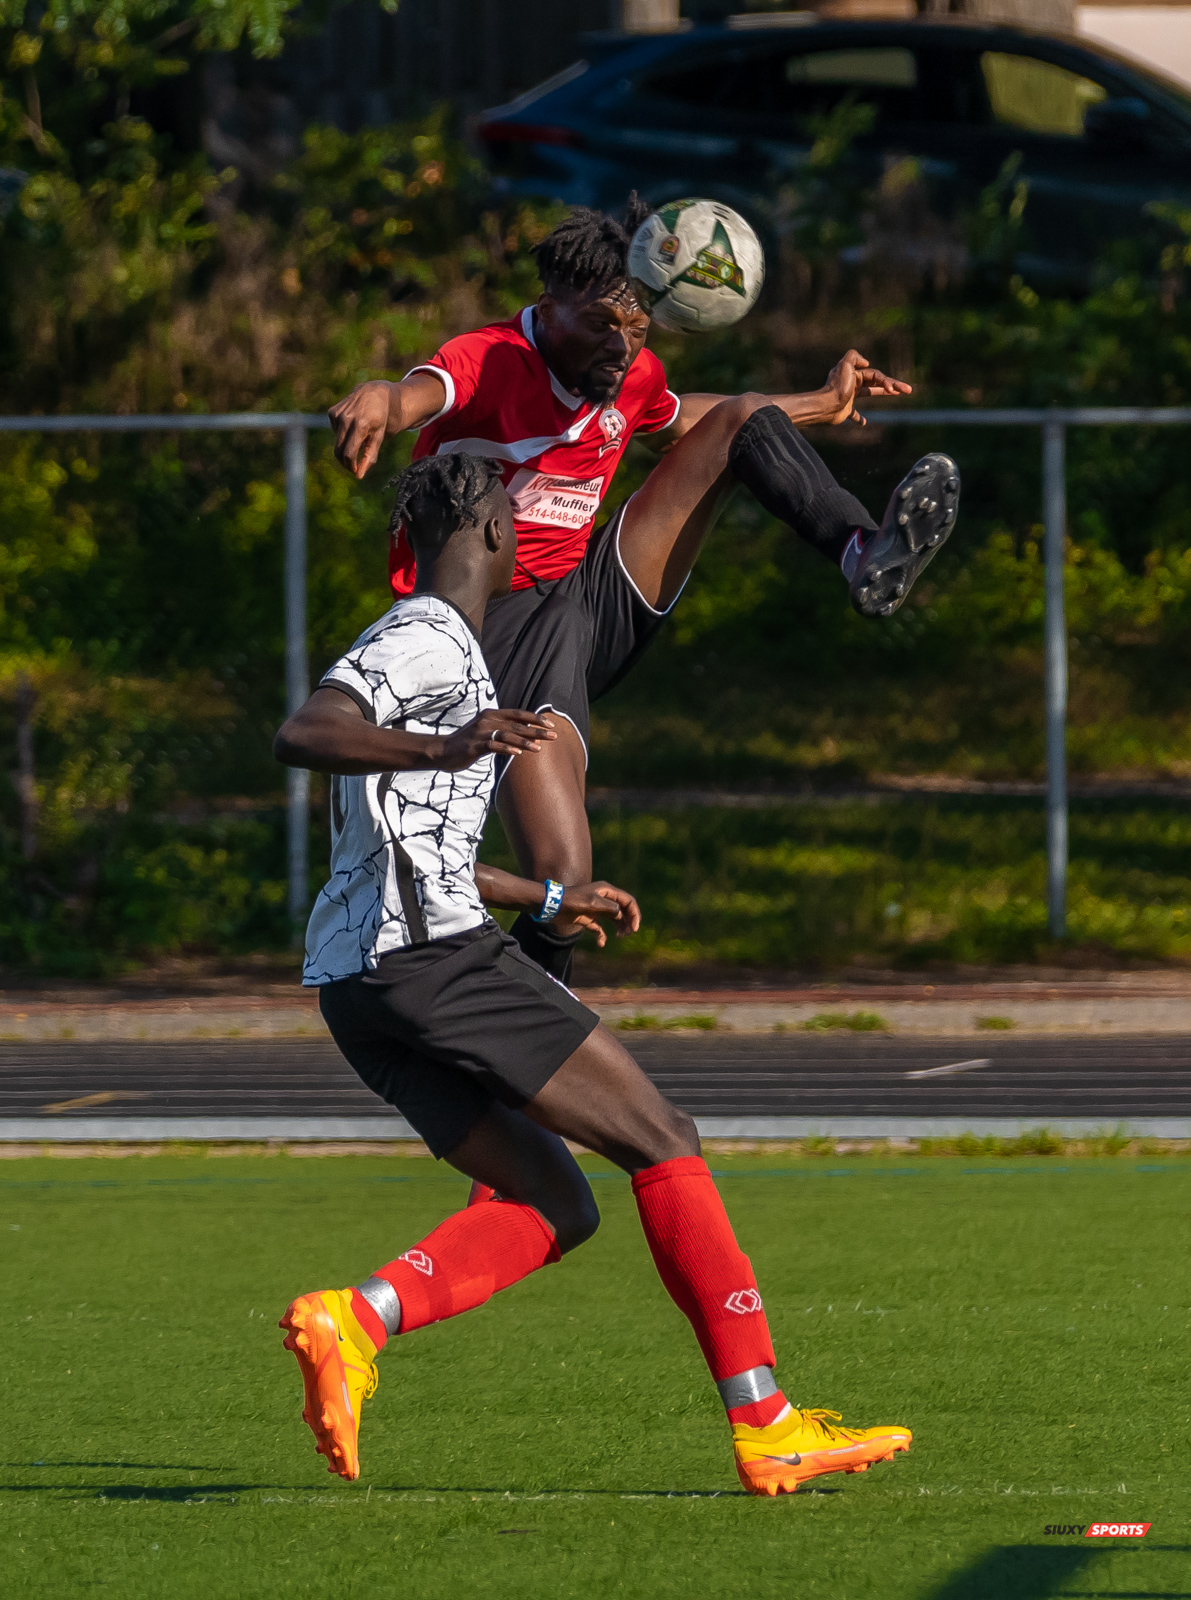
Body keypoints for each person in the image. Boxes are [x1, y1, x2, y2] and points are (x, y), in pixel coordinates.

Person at [274, 454, 912, 1497]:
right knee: (664, 1139)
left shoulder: (445, 651)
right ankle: (767, 1420)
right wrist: (448, 749)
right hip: (431, 961)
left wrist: (545, 898)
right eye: (516, 526)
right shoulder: (426, 637)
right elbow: (303, 732)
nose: (526, 541)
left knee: (554, 1199)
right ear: (489, 534)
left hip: (362, 984)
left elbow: (407, 835)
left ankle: (354, 1318)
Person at [326, 200, 960, 985]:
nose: (621, 345)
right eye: (599, 324)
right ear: (547, 305)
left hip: (581, 603)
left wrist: (814, 403)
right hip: (492, 634)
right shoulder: (492, 358)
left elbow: (674, 420)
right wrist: (383, 398)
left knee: (738, 419)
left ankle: (862, 552)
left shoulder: (629, 372)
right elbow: (424, 389)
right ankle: (526, 1027)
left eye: (637, 326)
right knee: (565, 883)